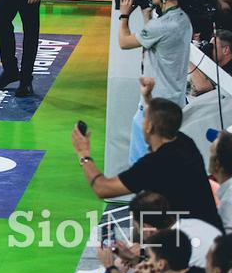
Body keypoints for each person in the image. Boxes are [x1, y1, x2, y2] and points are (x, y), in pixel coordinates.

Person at [72, 93, 223, 230]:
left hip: (193, 242)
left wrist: (83, 154)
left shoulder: (155, 165)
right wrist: (148, 98)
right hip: (210, 228)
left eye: (144, 119)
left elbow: (102, 188)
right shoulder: (184, 142)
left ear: (149, 126)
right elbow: (163, 118)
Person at [117, 0, 193, 165]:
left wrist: (124, 15)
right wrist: (146, 17)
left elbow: (124, 42)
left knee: (143, 168)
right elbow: (160, 45)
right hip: (174, 106)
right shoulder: (183, 19)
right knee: (165, 166)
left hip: (154, 110)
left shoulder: (161, 26)